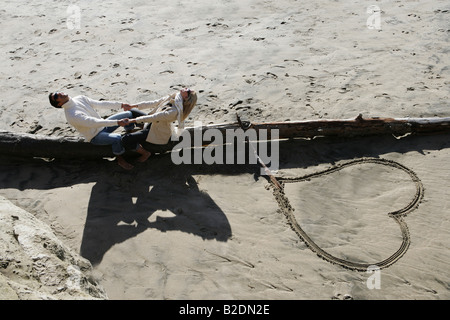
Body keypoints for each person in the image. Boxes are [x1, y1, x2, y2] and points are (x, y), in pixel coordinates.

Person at [48, 91, 146, 170]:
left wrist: (121, 105)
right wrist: (117, 122)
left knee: (128, 114)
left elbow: (101, 104)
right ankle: (120, 158)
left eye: (57, 92)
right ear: (59, 104)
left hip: (102, 125)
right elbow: (93, 122)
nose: (59, 93)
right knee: (117, 138)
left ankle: (129, 132)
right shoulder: (72, 114)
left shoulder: (80, 98)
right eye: (56, 96)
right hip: (95, 136)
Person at [121, 88, 197, 162]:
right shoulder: (174, 97)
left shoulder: (174, 111)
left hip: (157, 130)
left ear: (186, 97)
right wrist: (132, 106)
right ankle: (131, 129)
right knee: (131, 111)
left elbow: (154, 117)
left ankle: (145, 153)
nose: (186, 88)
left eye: (188, 90)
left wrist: (132, 120)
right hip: (152, 122)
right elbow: (154, 102)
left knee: (125, 139)